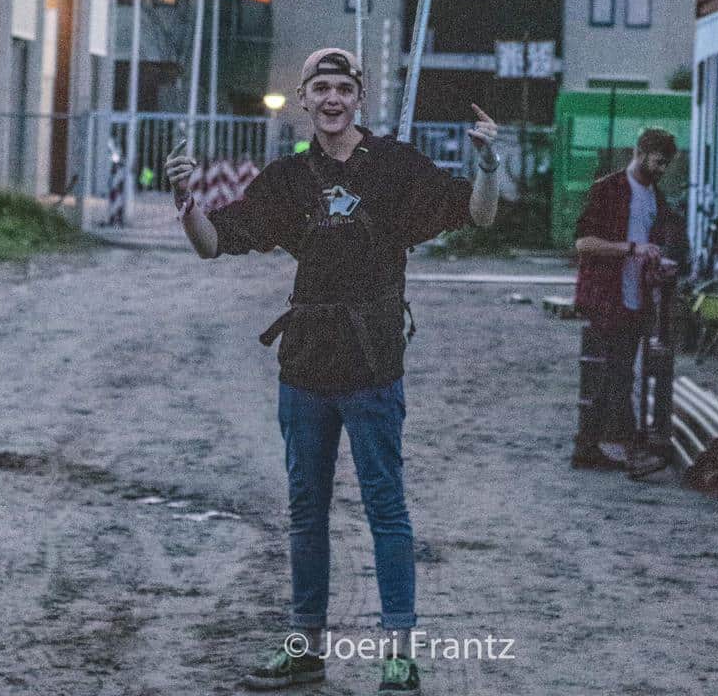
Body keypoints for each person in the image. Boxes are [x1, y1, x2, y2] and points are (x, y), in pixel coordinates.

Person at [165, 48, 501, 695]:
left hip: (373, 364)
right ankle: (304, 650)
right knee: (305, 512)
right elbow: (213, 242)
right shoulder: (288, 181)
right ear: (304, 98)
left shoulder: (398, 169)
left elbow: (480, 214)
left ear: (359, 97)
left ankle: (399, 656)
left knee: (386, 509)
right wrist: (185, 199)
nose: (331, 99)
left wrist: (487, 162)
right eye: (320, 88)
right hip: (307, 365)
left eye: (342, 88)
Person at [570, 127, 685, 472]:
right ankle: (633, 451)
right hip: (607, 296)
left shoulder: (655, 198)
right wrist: (631, 249)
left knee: (614, 377)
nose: (661, 169)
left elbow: (653, 243)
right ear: (640, 152)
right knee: (617, 376)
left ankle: (588, 448)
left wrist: (657, 264)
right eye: (658, 161)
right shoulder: (608, 190)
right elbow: (583, 243)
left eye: (666, 164)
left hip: (635, 298)